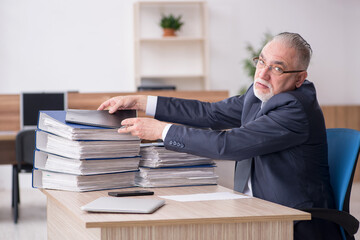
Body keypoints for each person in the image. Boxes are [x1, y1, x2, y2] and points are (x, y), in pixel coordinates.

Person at [98, 32, 342, 240]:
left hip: (295, 224)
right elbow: (210, 113)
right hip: (255, 210)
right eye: (261, 62)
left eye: (277, 68)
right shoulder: (261, 93)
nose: (263, 74)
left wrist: (161, 130)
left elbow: (229, 145)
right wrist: (141, 101)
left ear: (300, 78)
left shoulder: (294, 109)